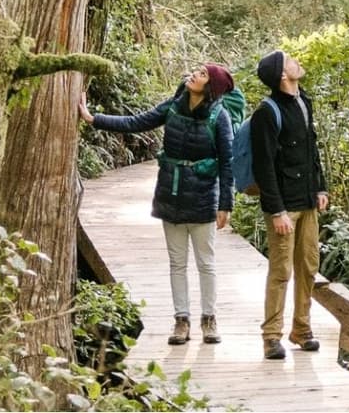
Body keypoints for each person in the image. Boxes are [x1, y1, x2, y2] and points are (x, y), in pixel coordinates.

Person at [78, 63, 238, 345]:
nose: (193, 74)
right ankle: (181, 321)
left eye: (201, 74)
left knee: (206, 263)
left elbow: (227, 163)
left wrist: (225, 204)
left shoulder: (219, 117)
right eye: (196, 71)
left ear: (211, 87)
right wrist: (94, 119)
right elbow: (137, 122)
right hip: (171, 195)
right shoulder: (174, 106)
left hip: (202, 198)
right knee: (177, 263)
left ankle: (209, 320)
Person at [250, 48, 328, 362]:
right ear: (283, 75)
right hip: (283, 207)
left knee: (309, 267)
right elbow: (264, 166)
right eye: (290, 61)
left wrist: (320, 186)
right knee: (281, 272)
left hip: (308, 201)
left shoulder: (303, 101)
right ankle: (271, 336)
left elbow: (312, 149)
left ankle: (302, 329)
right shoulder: (266, 112)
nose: (296, 62)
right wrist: (277, 210)